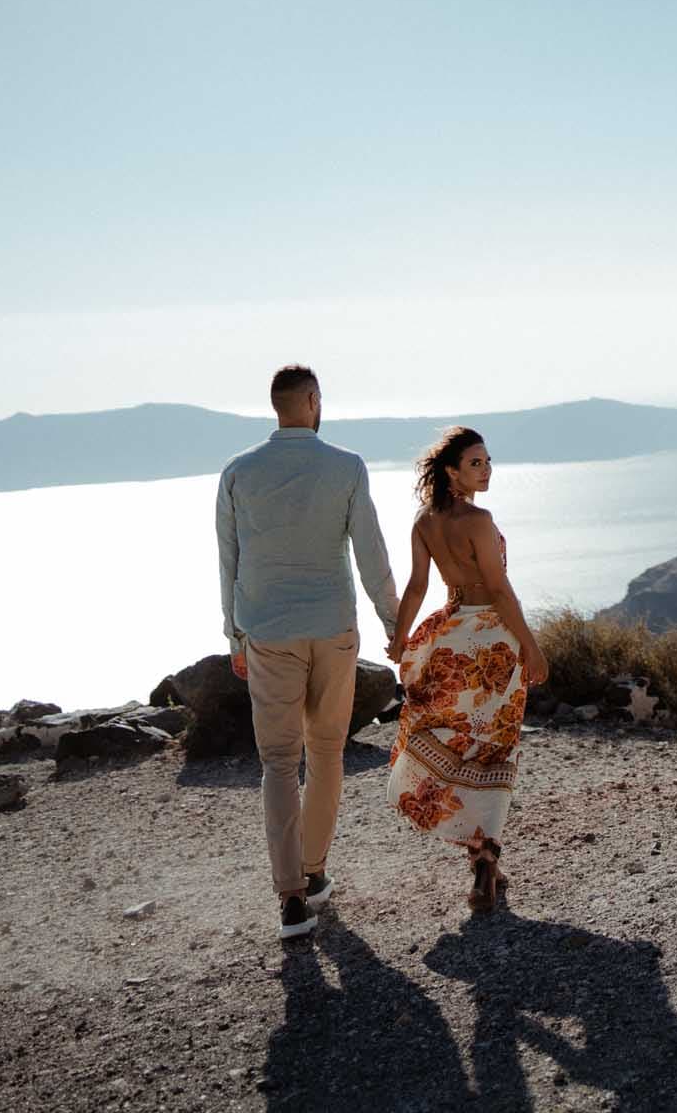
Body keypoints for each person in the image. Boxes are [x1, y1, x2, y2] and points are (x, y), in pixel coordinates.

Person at [215, 364, 399, 940]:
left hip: (268, 633)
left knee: (276, 762)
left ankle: (291, 898)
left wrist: (233, 634)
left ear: (276, 406)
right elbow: (371, 551)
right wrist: (395, 622)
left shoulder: (238, 472)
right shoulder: (346, 466)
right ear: (314, 401)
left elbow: (229, 557)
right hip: (333, 630)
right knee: (327, 753)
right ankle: (315, 870)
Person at [387, 425, 549, 914]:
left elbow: (417, 588)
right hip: (494, 642)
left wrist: (400, 638)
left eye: (488, 461)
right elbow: (499, 591)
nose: (486, 470)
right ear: (452, 471)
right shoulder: (479, 520)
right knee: (496, 744)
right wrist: (532, 646)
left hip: (454, 635)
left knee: (459, 737)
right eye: (475, 463)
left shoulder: (425, 521)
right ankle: (485, 858)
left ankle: (483, 858)